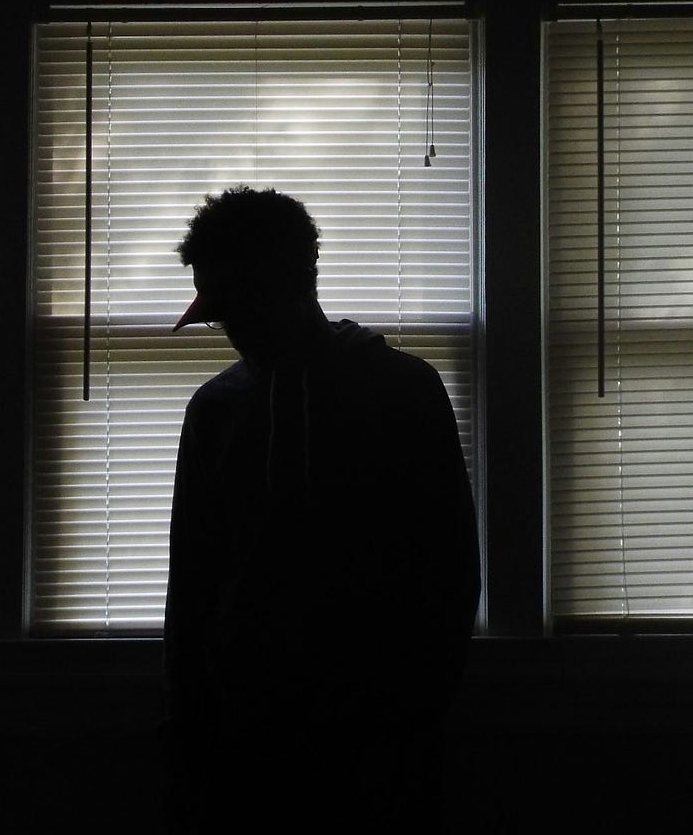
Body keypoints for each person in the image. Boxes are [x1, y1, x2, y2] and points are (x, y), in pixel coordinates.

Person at [162, 186, 480, 831]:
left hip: (382, 725)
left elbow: (447, 568)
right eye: (218, 309)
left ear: (296, 280)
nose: (230, 327)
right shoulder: (215, 410)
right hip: (245, 726)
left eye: (240, 303)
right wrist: (194, 716)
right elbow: (193, 579)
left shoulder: (403, 391)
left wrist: (416, 711)